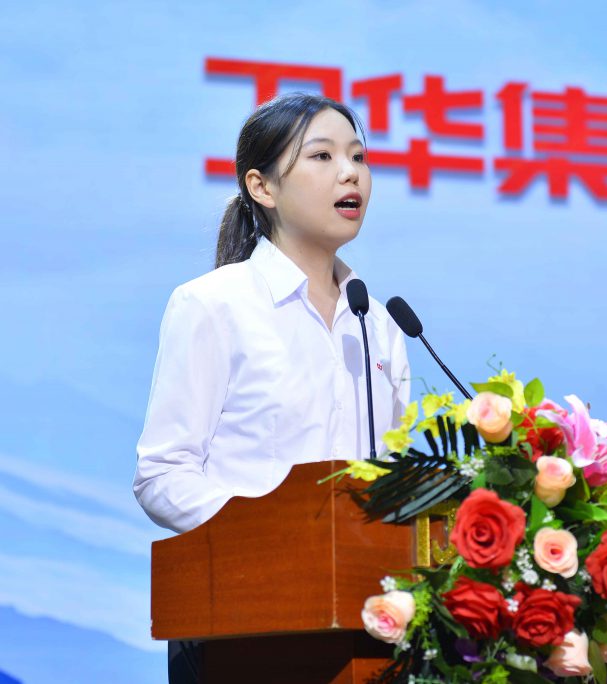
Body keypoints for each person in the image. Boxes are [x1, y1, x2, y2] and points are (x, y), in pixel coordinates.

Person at [132, 92, 411, 682]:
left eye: (359, 157)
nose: (350, 173)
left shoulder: (380, 325)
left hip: (366, 625)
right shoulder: (213, 304)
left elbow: (392, 480)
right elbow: (163, 474)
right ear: (261, 187)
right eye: (323, 156)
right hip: (242, 625)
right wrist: (267, 540)